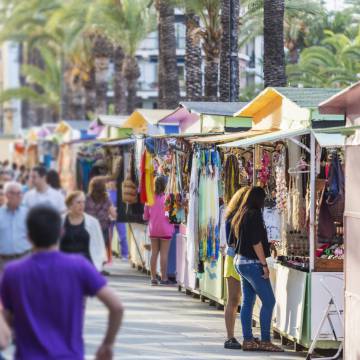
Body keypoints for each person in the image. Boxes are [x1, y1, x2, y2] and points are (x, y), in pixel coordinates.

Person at [0, 205, 124, 360]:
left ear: (28, 237)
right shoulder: (79, 266)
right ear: (61, 232)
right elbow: (116, 307)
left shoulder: (12, 272)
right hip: (69, 355)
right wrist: (107, 344)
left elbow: (6, 318)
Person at [232, 186, 283, 352]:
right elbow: (255, 242)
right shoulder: (254, 214)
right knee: (269, 301)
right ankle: (265, 340)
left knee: (248, 301)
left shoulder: (242, 214)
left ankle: (248, 340)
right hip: (251, 263)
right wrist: (263, 264)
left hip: (240, 261)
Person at [223, 186, 250, 350]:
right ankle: (230, 336)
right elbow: (230, 241)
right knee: (233, 299)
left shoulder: (248, 216)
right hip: (235, 258)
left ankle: (243, 336)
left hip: (239, 258)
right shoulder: (231, 218)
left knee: (241, 300)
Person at [61, 191, 106, 271]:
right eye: (78, 202)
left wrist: (99, 263)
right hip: (64, 267)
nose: (82, 205)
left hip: (86, 267)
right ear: (70, 204)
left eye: (83, 202)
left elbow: (99, 244)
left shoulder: (93, 222)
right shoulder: (60, 221)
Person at [143, 176, 174, 286]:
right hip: (166, 229)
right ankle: (164, 277)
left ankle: (153, 278)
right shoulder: (168, 198)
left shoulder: (149, 197)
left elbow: (145, 216)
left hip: (153, 229)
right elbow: (172, 214)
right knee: (164, 254)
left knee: (154, 253)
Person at [0, 182, 32, 272]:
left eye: (20, 193)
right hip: (4, 261)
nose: (20, 196)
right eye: (16, 193)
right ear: (7, 195)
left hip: (25, 258)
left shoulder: (27, 213)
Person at [85, 176, 117, 262]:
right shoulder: (106, 199)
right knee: (101, 248)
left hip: (89, 228)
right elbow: (114, 214)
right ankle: (99, 267)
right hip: (103, 227)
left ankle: (91, 265)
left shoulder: (87, 198)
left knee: (90, 246)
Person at [107, 179, 128, 259]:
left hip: (119, 217)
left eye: (113, 181)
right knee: (108, 236)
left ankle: (125, 254)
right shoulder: (106, 193)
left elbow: (123, 204)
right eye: (110, 181)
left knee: (122, 235)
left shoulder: (120, 193)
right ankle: (108, 255)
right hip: (109, 217)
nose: (112, 183)